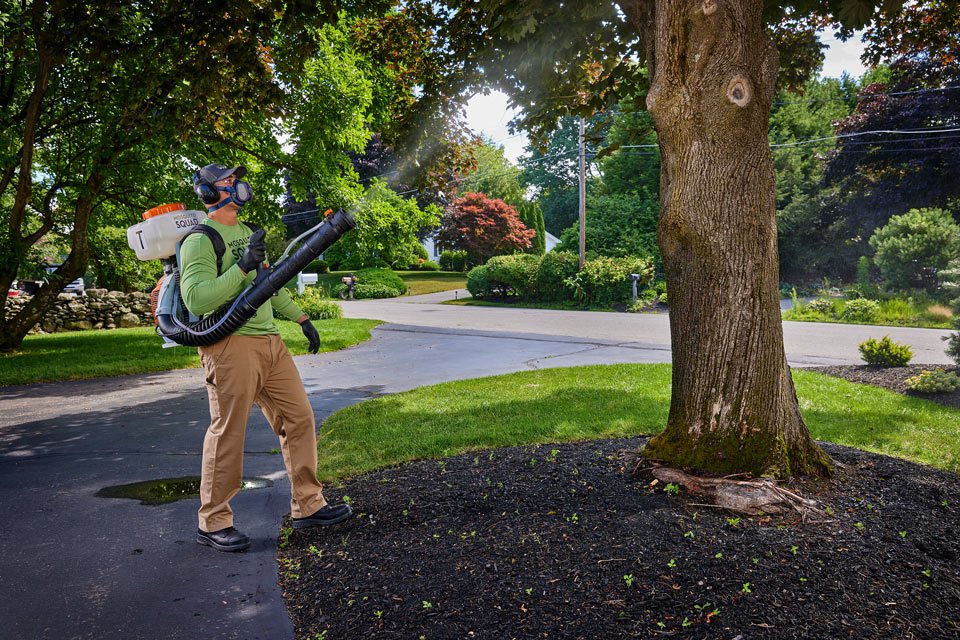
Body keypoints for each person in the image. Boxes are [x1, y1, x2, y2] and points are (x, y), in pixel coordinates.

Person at [181, 163, 352, 552]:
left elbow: (269, 287)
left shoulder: (245, 232)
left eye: (236, 179)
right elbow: (197, 300)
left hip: (270, 343)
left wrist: (302, 318)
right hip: (229, 345)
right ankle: (213, 521)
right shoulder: (199, 240)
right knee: (229, 430)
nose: (239, 185)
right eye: (228, 181)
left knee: (299, 417)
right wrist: (242, 266)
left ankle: (308, 504)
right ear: (209, 192)